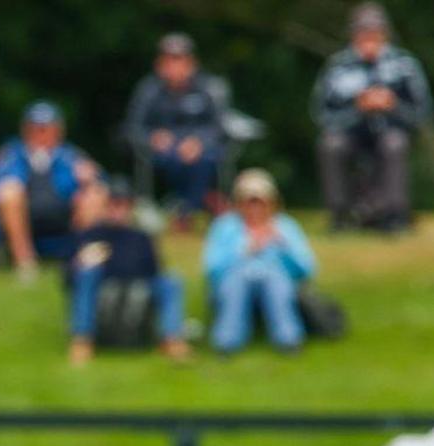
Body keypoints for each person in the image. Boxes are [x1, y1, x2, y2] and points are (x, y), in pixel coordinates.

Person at [312, 2, 433, 232]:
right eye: (363, 31)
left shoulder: (405, 65)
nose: (368, 37)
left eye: (374, 31)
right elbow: (322, 115)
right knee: (330, 145)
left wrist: (392, 105)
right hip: (350, 134)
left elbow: (421, 114)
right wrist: (358, 108)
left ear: (385, 33)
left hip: (390, 132)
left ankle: (394, 215)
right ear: (353, 34)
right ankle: (339, 214)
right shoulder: (337, 67)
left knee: (394, 143)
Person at [0, 100, 104, 281]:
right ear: (26, 130)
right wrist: (9, 187)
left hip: (63, 215)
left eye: (47, 129)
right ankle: (25, 264)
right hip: (21, 216)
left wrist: (87, 181)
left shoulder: (71, 157)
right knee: (9, 192)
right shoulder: (9, 156)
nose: (42, 134)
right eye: (37, 129)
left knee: (94, 193)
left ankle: (83, 261)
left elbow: (103, 185)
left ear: (58, 131)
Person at [68, 176, 190, 364]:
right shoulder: (91, 234)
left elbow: (154, 269)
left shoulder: (141, 237)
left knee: (171, 281)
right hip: (103, 284)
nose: (117, 210)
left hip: (136, 283)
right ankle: (82, 339)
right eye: (113, 204)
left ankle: (172, 338)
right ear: (105, 206)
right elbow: (68, 277)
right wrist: (80, 262)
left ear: (130, 207)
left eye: (122, 204)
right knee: (87, 273)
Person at [204, 169, 316, 354]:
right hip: (234, 278)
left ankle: (288, 339)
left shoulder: (285, 226)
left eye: (260, 202)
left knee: (275, 282)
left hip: (277, 278)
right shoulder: (225, 226)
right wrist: (244, 250)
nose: (255, 209)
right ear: (239, 203)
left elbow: (306, 269)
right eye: (249, 202)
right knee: (236, 284)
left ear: (272, 202)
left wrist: (283, 247)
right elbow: (212, 269)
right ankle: (227, 341)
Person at [125, 33, 227, 230]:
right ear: (159, 64)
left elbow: (219, 126)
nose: (174, 66)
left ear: (192, 63)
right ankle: (201, 202)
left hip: (201, 150)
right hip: (164, 153)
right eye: (169, 60)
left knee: (205, 160)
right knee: (175, 161)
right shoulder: (148, 90)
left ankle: (186, 210)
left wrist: (199, 142)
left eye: (179, 60)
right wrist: (153, 138)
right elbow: (133, 127)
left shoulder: (208, 87)